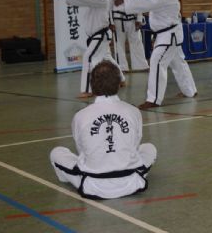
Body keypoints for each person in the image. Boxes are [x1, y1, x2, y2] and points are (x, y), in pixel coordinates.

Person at [49, 60, 156, 199]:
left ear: (92, 86)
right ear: (119, 85)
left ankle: (72, 178)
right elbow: (134, 145)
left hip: (93, 184)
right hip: (130, 180)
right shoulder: (133, 111)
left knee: (57, 153)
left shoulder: (80, 116)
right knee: (149, 148)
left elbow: (82, 150)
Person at [115, 0, 197, 110]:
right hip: (166, 34)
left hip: (169, 36)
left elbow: (148, 2)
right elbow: (152, 5)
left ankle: (153, 99)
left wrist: (125, 2)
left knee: (157, 62)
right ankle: (190, 90)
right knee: (178, 63)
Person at [58, 0, 124, 98]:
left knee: (88, 57)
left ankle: (87, 90)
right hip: (96, 35)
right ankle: (121, 79)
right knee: (107, 57)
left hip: (100, 35)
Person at [107, 0, 149, 73]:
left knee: (137, 41)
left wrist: (139, 19)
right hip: (118, 20)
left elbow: (138, 4)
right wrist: (110, 22)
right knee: (119, 44)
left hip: (132, 19)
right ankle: (122, 67)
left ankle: (141, 65)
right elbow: (108, 7)